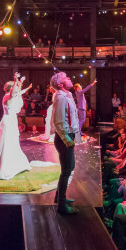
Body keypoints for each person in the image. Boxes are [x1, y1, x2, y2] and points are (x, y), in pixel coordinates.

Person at [51, 72, 80, 215]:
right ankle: (61, 205)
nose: (69, 78)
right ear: (60, 84)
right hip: (64, 137)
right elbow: (58, 121)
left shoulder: (67, 96)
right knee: (66, 171)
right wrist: (67, 139)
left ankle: (59, 197)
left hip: (68, 135)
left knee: (69, 168)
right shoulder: (61, 97)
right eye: (66, 78)